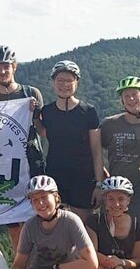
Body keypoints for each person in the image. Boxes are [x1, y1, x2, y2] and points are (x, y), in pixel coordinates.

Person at [0, 45, 46, 252]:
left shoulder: (31, 94)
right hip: (5, 166)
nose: (2, 71)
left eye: (6, 67)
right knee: (15, 223)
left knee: (40, 216)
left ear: (14, 67)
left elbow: (43, 130)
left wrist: (35, 112)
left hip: (32, 160)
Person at [95, 76, 140, 256]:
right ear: (121, 99)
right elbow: (95, 154)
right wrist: (103, 181)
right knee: (112, 242)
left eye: (135, 94)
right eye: (126, 96)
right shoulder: (109, 124)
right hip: (115, 196)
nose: (131, 99)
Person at [41, 60, 100, 222]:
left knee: (84, 228)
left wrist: (99, 183)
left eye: (69, 80)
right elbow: (42, 132)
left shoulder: (88, 111)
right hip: (56, 177)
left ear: (77, 82)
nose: (64, 84)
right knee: (57, 229)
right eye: (60, 80)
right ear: (53, 82)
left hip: (83, 178)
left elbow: (96, 150)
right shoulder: (46, 112)